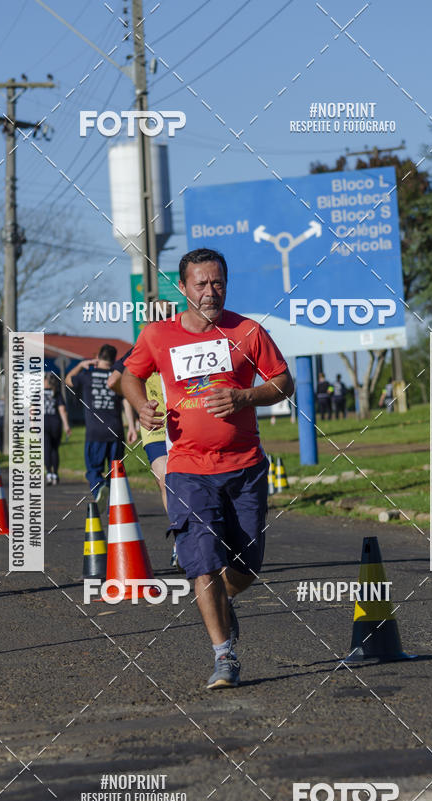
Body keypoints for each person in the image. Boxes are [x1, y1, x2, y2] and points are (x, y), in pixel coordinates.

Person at [121, 248, 293, 690]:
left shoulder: (248, 331)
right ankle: (224, 657)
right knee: (201, 563)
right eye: (201, 283)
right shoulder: (158, 335)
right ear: (183, 288)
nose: (210, 291)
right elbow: (130, 375)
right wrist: (141, 406)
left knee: (246, 567)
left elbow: (282, 381)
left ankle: (223, 600)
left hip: (244, 466)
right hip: (188, 468)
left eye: (217, 282)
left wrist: (243, 398)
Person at [108, 300, 180, 567]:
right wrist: (139, 403)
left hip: (176, 424)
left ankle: (189, 541)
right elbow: (115, 381)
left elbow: (113, 381)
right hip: (159, 424)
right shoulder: (142, 348)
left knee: (174, 482)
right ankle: (182, 540)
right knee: (169, 481)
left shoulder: (180, 343)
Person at [65, 344, 135, 504]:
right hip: (116, 431)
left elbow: (68, 380)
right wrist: (131, 426)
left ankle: (99, 489)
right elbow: (126, 401)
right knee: (115, 471)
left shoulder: (86, 376)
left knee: (93, 470)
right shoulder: (117, 376)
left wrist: (81, 365)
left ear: (98, 357)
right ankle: (116, 502)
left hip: (95, 432)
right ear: (114, 359)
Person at [44, 372, 71, 485]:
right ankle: (55, 473)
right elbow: (62, 411)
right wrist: (66, 425)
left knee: (46, 449)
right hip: (55, 424)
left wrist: (32, 424)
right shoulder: (57, 394)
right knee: (54, 449)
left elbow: (33, 410)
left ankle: (49, 473)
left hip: (43, 424)